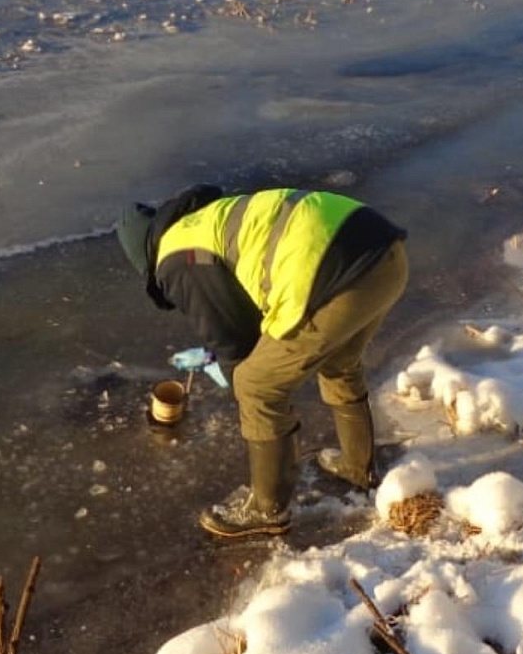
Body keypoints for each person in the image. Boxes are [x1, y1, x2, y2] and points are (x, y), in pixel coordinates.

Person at [116, 184, 408, 539]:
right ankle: (357, 468)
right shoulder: (205, 220)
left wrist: (240, 387)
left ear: (143, 258)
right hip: (384, 255)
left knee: (255, 385)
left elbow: (234, 342)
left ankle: (267, 509)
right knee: (339, 363)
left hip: (335, 276)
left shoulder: (177, 256)